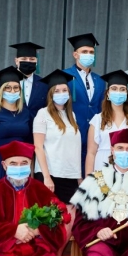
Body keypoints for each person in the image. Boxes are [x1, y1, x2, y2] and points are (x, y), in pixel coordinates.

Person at [33, 69, 81, 245]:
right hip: (51, 174)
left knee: (69, 219)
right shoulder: (42, 114)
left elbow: (74, 148)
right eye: (57, 91)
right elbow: (38, 147)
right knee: (49, 220)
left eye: (65, 90)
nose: (62, 94)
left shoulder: (71, 116)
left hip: (70, 175)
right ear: (51, 94)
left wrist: (79, 177)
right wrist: (46, 177)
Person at [0, 66, 32, 190]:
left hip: (21, 168)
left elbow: (31, 146)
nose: (12, 91)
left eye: (16, 88)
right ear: (1, 91)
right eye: (7, 88)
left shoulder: (26, 113)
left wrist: (31, 174)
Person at [85, 70, 128, 175]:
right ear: (108, 93)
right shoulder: (98, 120)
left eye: (122, 89)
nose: (118, 92)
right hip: (102, 169)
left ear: (127, 94)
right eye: (114, 89)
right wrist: (88, 180)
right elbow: (91, 153)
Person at [63, 33, 107, 170]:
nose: (89, 55)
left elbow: (101, 108)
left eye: (91, 52)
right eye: (84, 51)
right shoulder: (65, 76)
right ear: (75, 54)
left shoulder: (99, 80)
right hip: (71, 134)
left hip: (93, 136)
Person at [0, 42, 48, 121]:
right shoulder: (1, 80)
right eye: (24, 59)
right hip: (8, 126)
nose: (28, 62)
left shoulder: (44, 84)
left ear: (36, 61)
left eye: (32, 59)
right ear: (16, 61)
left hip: (36, 127)